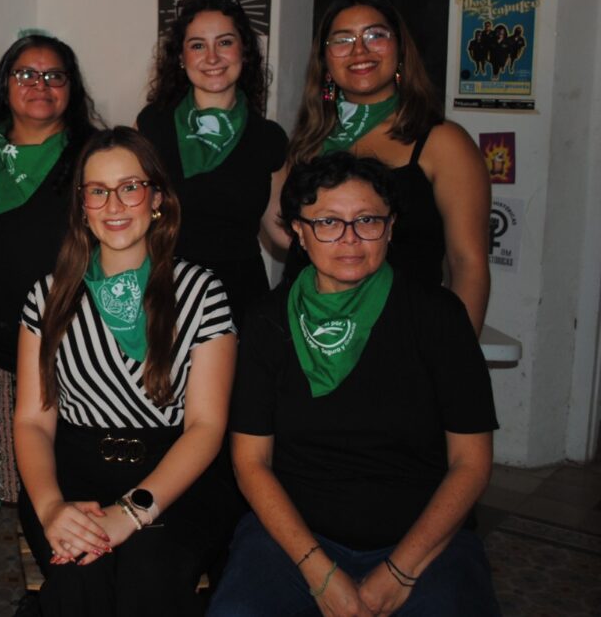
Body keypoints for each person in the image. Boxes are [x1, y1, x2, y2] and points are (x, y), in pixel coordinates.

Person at [209, 153, 499, 617]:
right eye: (327, 222)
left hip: (423, 542)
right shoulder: (266, 321)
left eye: (367, 220)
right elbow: (251, 463)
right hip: (293, 539)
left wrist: (399, 572)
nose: (349, 238)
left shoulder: (438, 317)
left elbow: (472, 464)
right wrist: (319, 572)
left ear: (390, 227)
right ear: (299, 231)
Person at [13, 127, 239, 617]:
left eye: (130, 187)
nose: (114, 205)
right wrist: (51, 507)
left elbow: (206, 427)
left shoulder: (203, 293)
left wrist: (131, 513)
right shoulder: (47, 297)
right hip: (71, 476)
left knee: (147, 576)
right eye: (98, 191)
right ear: (82, 206)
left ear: (156, 198)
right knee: (80, 578)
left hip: (176, 479)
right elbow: (32, 421)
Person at [0, 32, 101, 508]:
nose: (41, 84)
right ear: (5, 85)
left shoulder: (94, 156)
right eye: (27, 74)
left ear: (71, 87)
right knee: (9, 487)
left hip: (77, 337)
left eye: (55, 75)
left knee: (73, 477)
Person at [284, 0, 491, 334]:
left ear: (400, 50)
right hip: (307, 330)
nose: (359, 50)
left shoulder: (443, 142)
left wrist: (456, 353)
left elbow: (468, 263)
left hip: (403, 334)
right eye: (343, 40)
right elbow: (291, 237)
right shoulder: (307, 141)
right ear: (325, 60)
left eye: (375, 35)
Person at [137, 0, 288, 326]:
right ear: (180, 57)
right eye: (197, 45)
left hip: (240, 298)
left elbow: (282, 231)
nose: (212, 57)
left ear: (244, 51)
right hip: (165, 292)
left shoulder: (268, 138)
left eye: (225, 42)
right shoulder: (151, 126)